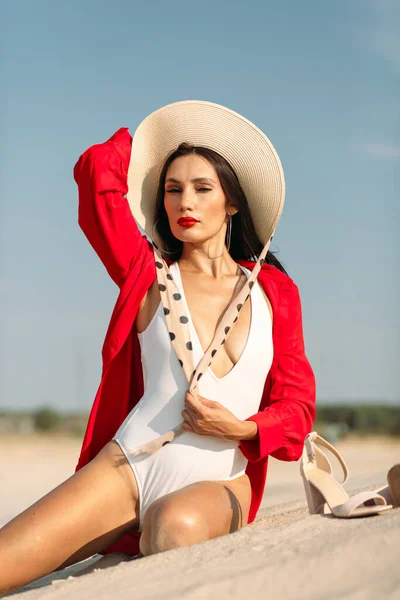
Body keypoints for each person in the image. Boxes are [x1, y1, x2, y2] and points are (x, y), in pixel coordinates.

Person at [0, 100, 316, 594]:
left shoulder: (276, 292)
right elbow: (96, 175)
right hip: (126, 466)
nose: (184, 202)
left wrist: (241, 427)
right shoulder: (145, 273)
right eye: (172, 189)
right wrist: (148, 141)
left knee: (175, 526)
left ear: (232, 202)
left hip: (222, 479)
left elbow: (297, 408)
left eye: (201, 188)